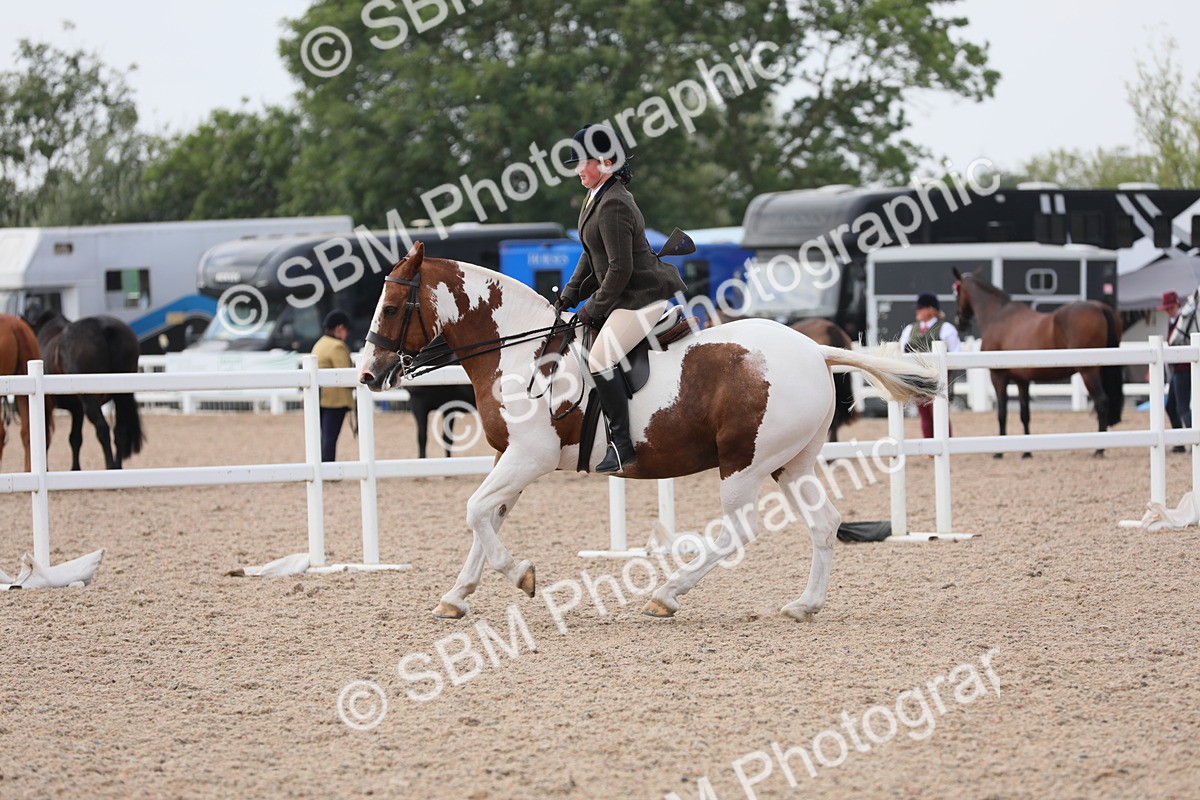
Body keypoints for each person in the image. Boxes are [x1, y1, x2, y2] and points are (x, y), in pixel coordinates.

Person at [555, 123, 687, 473]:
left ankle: (622, 444)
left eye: (583, 162)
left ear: (606, 161)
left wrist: (591, 308)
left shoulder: (614, 203)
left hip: (639, 297)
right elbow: (589, 253)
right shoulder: (596, 195)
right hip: (624, 294)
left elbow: (619, 270)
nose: (578, 169)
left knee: (598, 359)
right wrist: (568, 295)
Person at [899, 292, 961, 438]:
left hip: (938, 379)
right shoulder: (910, 329)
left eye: (921, 308)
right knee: (924, 414)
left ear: (931, 309)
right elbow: (902, 351)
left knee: (939, 412)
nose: (917, 311)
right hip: (918, 378)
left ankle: (946, 443)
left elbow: (955, 353)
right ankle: (929, 446)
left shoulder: (946, 329)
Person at [312, 309, 354, 461]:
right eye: (346, 330)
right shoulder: (337, 346)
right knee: (330, 436)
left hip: (321, 398)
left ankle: (323, 465)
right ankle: (328, 467)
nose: (347, 334)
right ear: (339, 328)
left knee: (323, 436)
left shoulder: (320, 343)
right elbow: (346, 374)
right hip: (335, 401)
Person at [1161, 290, 1195, 450]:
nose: (1169, 311)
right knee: (1171, 406)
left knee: (1182, 407)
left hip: (1184, 368)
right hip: (1176, 369)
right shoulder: (1173, 321)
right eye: (1167, 308)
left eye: (1171, 307)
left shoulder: (1184, 320)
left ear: (1177, 305)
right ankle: (1181, 442)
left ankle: (1194, 439)